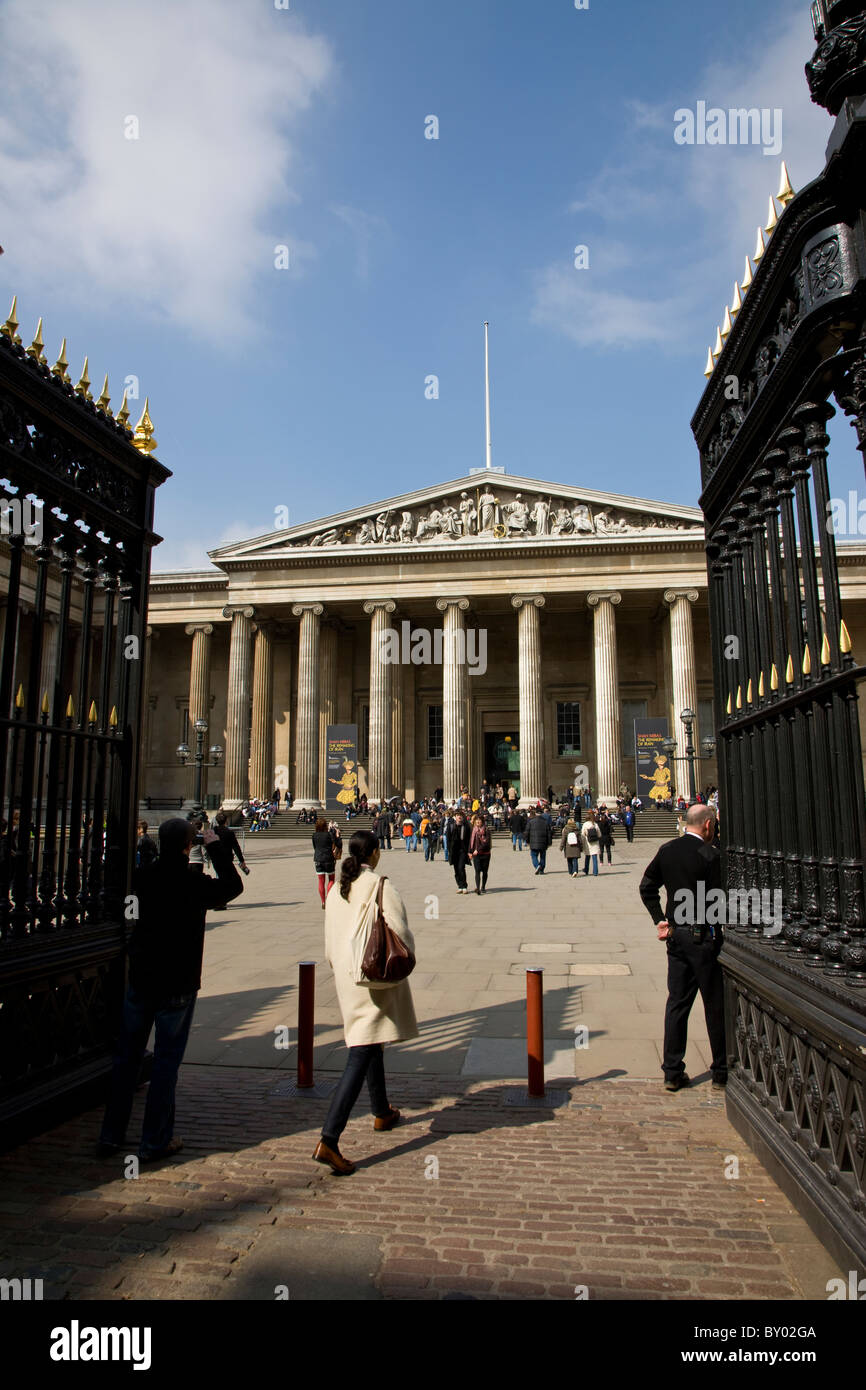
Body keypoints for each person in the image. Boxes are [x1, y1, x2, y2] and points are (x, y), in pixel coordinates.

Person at [98, 818, 243, 1161]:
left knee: (127, 1059)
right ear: (186, 846)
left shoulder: (143, 879)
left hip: (142, 977)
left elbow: (123, 907)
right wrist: (215, 846)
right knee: (165, 1063)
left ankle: (110, 1135)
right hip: (177, 980)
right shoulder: (193, 882)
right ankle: (154, 1141)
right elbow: (233, 887)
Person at [313, 829, 418, 1175]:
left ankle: (381, 1111)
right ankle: (329, 1139)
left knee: (370, 1040)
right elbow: (400, 935)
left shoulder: (337, 887)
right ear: (374, 854)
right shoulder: (379, 885)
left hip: (347, 977)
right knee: (360, 1052)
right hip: (373, 977)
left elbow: (329, 944)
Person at [638, 804, 727, 1093]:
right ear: (708, 826)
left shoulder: (667, 850)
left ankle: (672, 1071)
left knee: (677, 1004)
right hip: (703, 938)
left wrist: (660, 920)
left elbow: (647, 887)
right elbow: (718, 900)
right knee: (714, 1005)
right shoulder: (710, 855)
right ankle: (720, 1072)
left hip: (677, 936)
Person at [312, 817, 338, 909]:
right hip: (328, 858)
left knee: (321, 881)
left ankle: (323, 901)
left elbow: (315, 847)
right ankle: (328, 899)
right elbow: (335, 845)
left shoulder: (314, 835)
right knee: (331, 879)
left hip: (318, 859)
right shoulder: (329, 834)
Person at [213, 811, 250, 876]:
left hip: (216, 857)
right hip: (227, 857)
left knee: (219, 874)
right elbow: (236, 847)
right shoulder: (229, 833)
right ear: (226, 821)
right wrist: (241, 860)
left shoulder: (213, 832)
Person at [447, 811, 471, 894]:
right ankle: (459, 886)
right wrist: (449, 851)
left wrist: (469, 851)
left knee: (461, 867)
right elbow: (448, 839)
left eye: (460, 815)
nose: (459, 817)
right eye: (457, 815)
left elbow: (469, 840)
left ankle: (464, 886)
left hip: (462, 850)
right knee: (456, 869)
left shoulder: (466, 826)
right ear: (455, 817)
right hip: (454, 851)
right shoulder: (451, 826)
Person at [468, 814, 491, 894]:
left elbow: (486, 842)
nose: (478, 821)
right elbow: (470, 841)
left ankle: (483, 886)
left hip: (485, 853)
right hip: (476, 854)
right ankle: (477, 888)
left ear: (482, 821)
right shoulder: (473, 830)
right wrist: (470, 851)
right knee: (477, 870)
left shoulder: (486, 830)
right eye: (476, 820)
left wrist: (477, 849)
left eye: (479, 820)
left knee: (485, 871)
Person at [526, 807, 551, 875]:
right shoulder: (545, 822)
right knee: (543, 856)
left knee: (534, 856)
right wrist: (549, 843)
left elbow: (527, 832)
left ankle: (537, 866)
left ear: (535, 813)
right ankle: (541, 870)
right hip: (543, 842)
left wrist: (527, 841)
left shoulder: (531, 822)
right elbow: (549, 833)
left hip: (533, 842)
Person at [581, 809, 600, 876]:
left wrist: (582, 843)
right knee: (594, 858)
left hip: (587, 842)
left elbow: (583, 834)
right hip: (595, 842)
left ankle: (586, 869)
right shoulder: (595, 824)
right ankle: (595, 872)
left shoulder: (585, 824)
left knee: (587, 856)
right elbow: (599, 834)